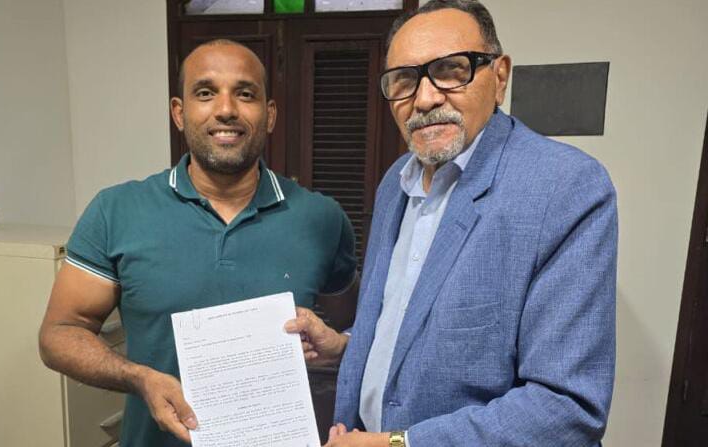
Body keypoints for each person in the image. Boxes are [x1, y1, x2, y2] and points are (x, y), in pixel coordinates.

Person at [284, 1, 617, 445]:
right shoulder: (395, 183)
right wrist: (345, 347)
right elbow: (409, 332)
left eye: (451, 70)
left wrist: (398, 444)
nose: (424, 98)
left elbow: (568, 407)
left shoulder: (566, 188)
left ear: (500, 77)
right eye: (404, 80)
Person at [39, 39, 358, 447]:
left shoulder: (321, 218)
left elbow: (350, 326)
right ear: (179, 112)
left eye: (245, 94)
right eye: (205, 93)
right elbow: (59, 333)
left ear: (270, 115)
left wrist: (338, 347)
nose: (226, 109)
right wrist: (138, 377)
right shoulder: (116, 211)